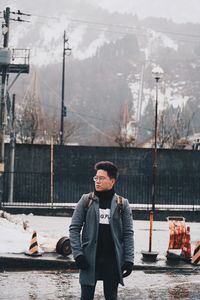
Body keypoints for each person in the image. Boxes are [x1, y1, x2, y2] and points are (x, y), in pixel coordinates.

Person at [69, 161, 134, 300]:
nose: (97, 181)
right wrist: (78, 254)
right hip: (89, 258)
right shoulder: (86, 200)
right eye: (96, 178)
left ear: (112, 181)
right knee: (86, 297)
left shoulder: (122, 204)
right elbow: (74, 229)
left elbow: (128, 234)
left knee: (111, 296)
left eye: (102, 178)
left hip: (112, 260)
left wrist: (129, 259)